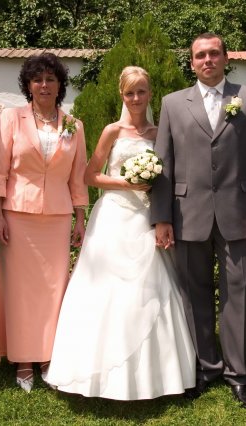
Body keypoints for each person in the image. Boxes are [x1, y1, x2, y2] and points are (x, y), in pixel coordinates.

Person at [46, 66, 196, 400]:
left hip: (147, 218)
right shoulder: (112, 131)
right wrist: (126, 183)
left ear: (150, 93)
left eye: (141, 91)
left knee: (153, 289)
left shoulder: (160, 132)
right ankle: (96, 372)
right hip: (114, 216)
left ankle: (159, 374)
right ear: (122, 95)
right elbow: (90, 175)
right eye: (130, 93)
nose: (136, 98)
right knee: (104, 290)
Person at [150, 33, 246, 408]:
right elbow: (163, 163)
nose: (208, 60)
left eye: (214, 53)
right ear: (191, 62)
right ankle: (206, 367)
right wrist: (161, 217)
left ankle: (239, 373)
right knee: (194, 294)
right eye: (200, 55)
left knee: (240, 292)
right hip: (187, 213)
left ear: (225, 58)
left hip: (239, 213)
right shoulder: (172, 103)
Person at [0, 53, 88, 393]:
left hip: (57, 218)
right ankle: (23, 358)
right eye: (37, 79)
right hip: (17, 216)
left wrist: (80, 220)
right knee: (20, 290)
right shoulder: (11, 118)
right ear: (28, 85)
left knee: (53, 288)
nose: (44, 85)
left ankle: (47, 355)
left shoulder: (74, 125)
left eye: (51, 79)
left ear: (60, 85)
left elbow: (78, 177)